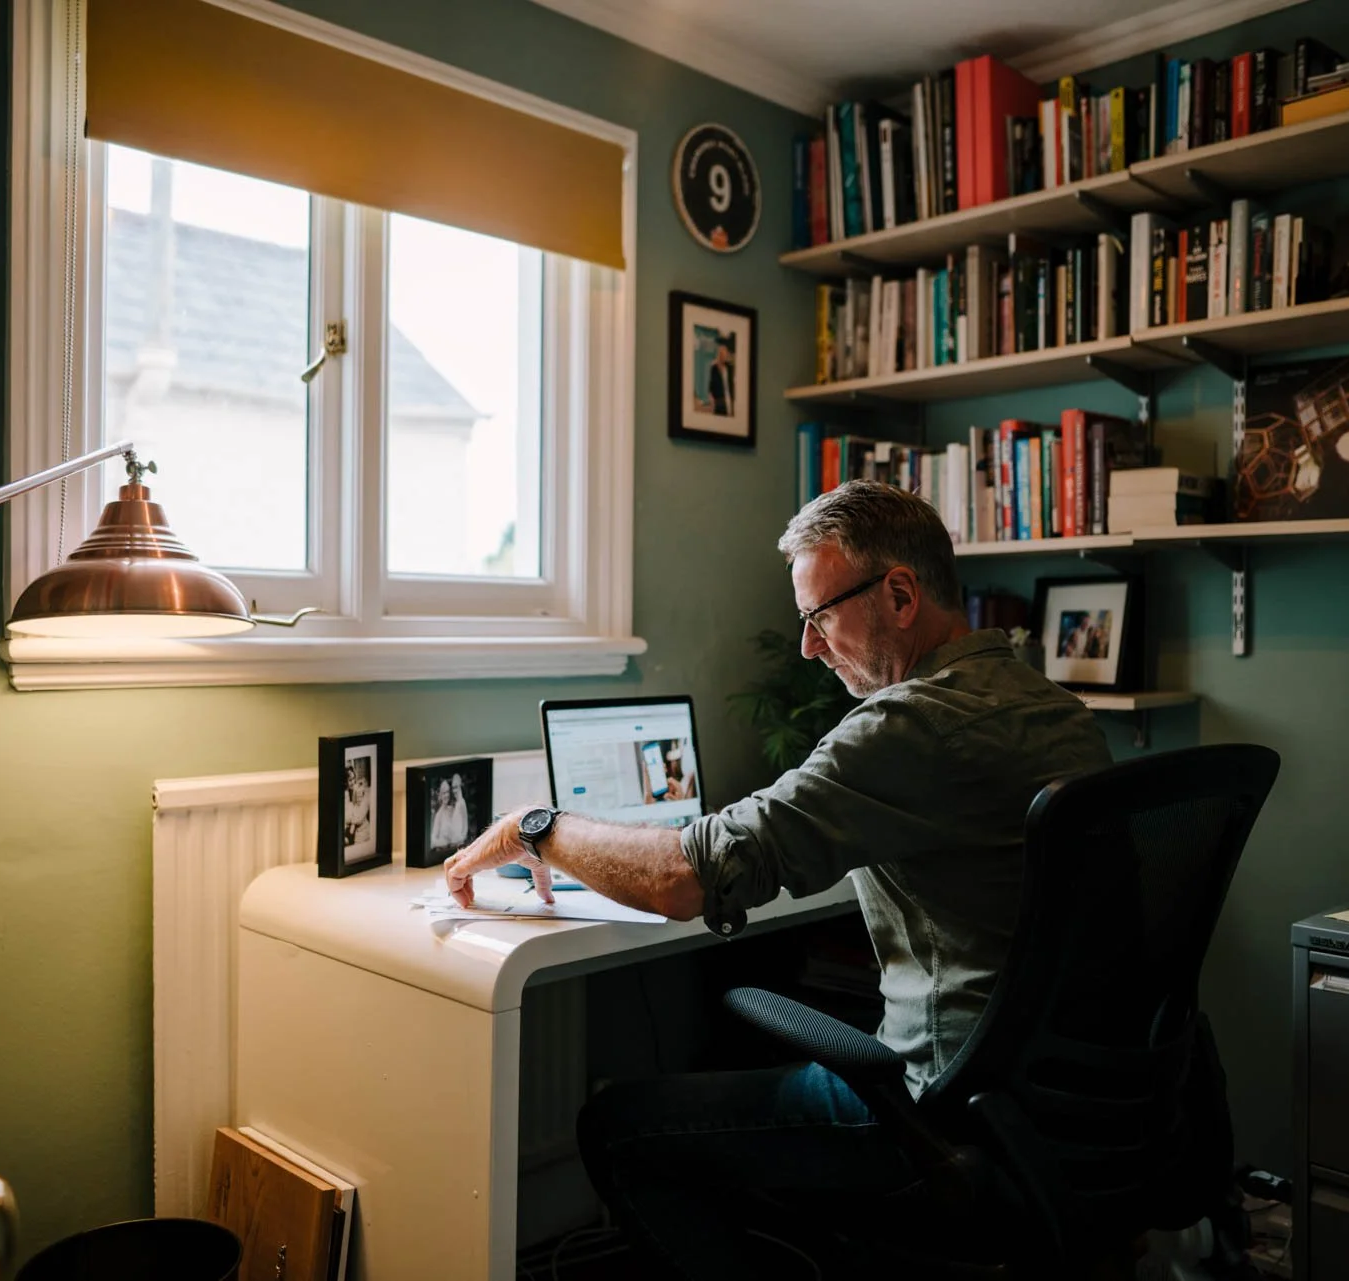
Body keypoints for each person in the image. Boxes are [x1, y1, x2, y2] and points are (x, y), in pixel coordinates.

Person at [444, 480, 1111, 1277]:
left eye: (818, 615)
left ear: (899, 594)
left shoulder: (907, 724)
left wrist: (536, 827)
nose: (808, 647)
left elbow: (682, 880)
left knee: (621, 1126)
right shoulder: (1052, 705)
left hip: (942, 1106)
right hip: (1073, 1102)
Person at [429, 775, 470, 853]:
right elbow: (433, 840)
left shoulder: (453, 808)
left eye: (448, 792)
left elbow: (462, 827)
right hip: (442, 852)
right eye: (444, 793)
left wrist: (459, 839)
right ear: (440, 795)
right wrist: (444, 843)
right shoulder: (439, 815)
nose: (446, 795)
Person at [706, 334, 734, 416]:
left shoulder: (729, 367)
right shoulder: (714, 368)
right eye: (721, 353)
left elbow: (731, 383)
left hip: (729, 399)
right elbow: (711, 386)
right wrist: (712, 400)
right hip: (719, 401)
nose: (723, 355)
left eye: (724, 352)